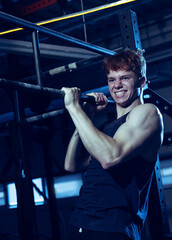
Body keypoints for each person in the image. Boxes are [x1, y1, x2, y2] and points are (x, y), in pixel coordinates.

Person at [61, 49, 164, 240]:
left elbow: (110, 158)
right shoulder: (108, 128)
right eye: (112, 80)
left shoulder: (147, 112)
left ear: (141, 82)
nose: (117, 85)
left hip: (112, 227)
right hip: (81, 223)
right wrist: (86, 115)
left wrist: (74, 108)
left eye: (124, 78)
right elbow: (72, 165)